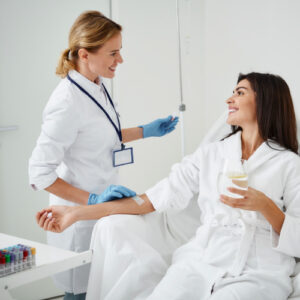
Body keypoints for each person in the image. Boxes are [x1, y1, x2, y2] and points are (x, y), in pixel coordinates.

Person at [36, 72, 300, 300]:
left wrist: (266, 206)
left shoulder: (289, 164)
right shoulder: (210, 154)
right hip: (202, 260)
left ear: (265, 101)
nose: (229, 100)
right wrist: (76, 213)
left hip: (258, 269)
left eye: (239, 93)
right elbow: (152, 199)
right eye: (232, 92)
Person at [29, 10, 179, 300]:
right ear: (85, 54)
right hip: (78, 220)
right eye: (113, 53)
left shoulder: (97, 85)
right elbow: (38, 173)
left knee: (101, 286)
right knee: (80, 292)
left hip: (102, 211)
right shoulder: (66, 101)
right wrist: (93, 200)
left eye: (119, 51)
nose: (119, 60)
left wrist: (146, 131)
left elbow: (100, 134)